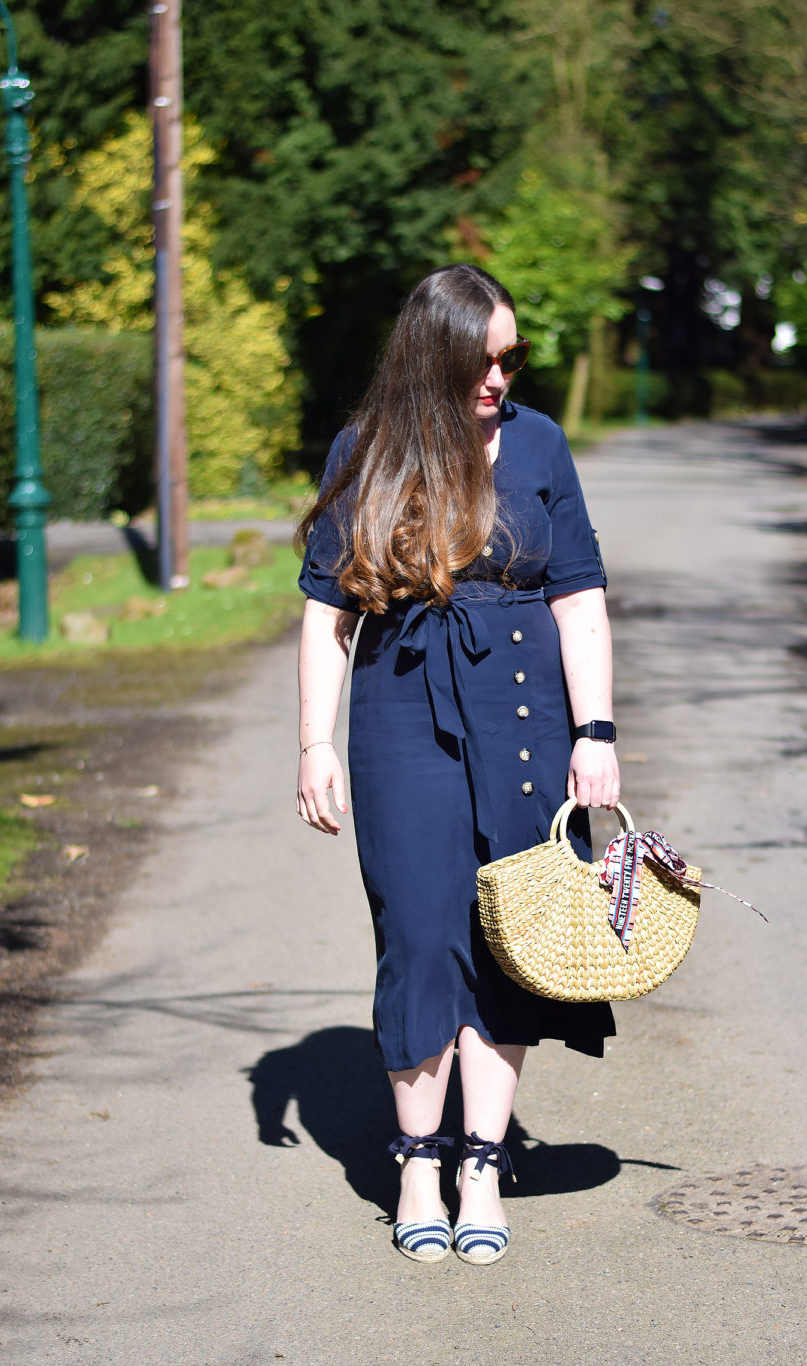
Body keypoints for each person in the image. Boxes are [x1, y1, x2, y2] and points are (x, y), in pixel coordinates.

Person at [295, 263, 620, 1266]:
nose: (499, 377)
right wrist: (315, 740)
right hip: (401, 715)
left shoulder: (538, 444)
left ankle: (482, 1163)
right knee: (422, 938)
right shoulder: (370, 452)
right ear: (433, 355)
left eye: (511, 357)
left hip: (524, 714)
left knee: (505, 939)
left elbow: (578, 598)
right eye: (483, 359)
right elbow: (326, 614)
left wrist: (597, 732)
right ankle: (417, 1167)